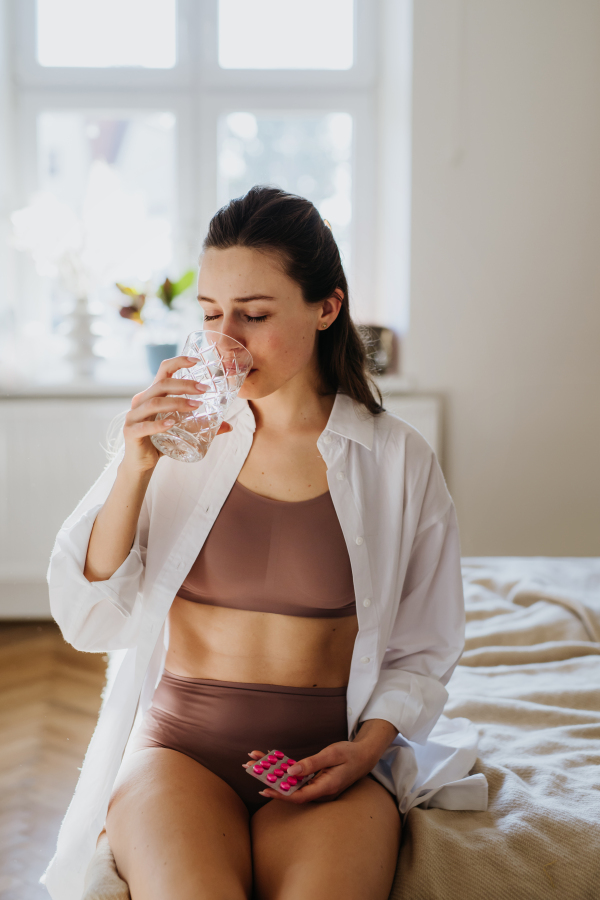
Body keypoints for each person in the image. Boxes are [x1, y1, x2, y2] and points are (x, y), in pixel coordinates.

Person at [42, 186, 487, 900]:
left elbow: (423, 647)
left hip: (327, 766)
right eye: (211, 315)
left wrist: (364, 753)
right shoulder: (175, 439)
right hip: (179, 757)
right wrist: (133, 467)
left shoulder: (396, 461)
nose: (227, 341)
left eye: (252, 315)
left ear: (326, 307)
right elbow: (88, 617)